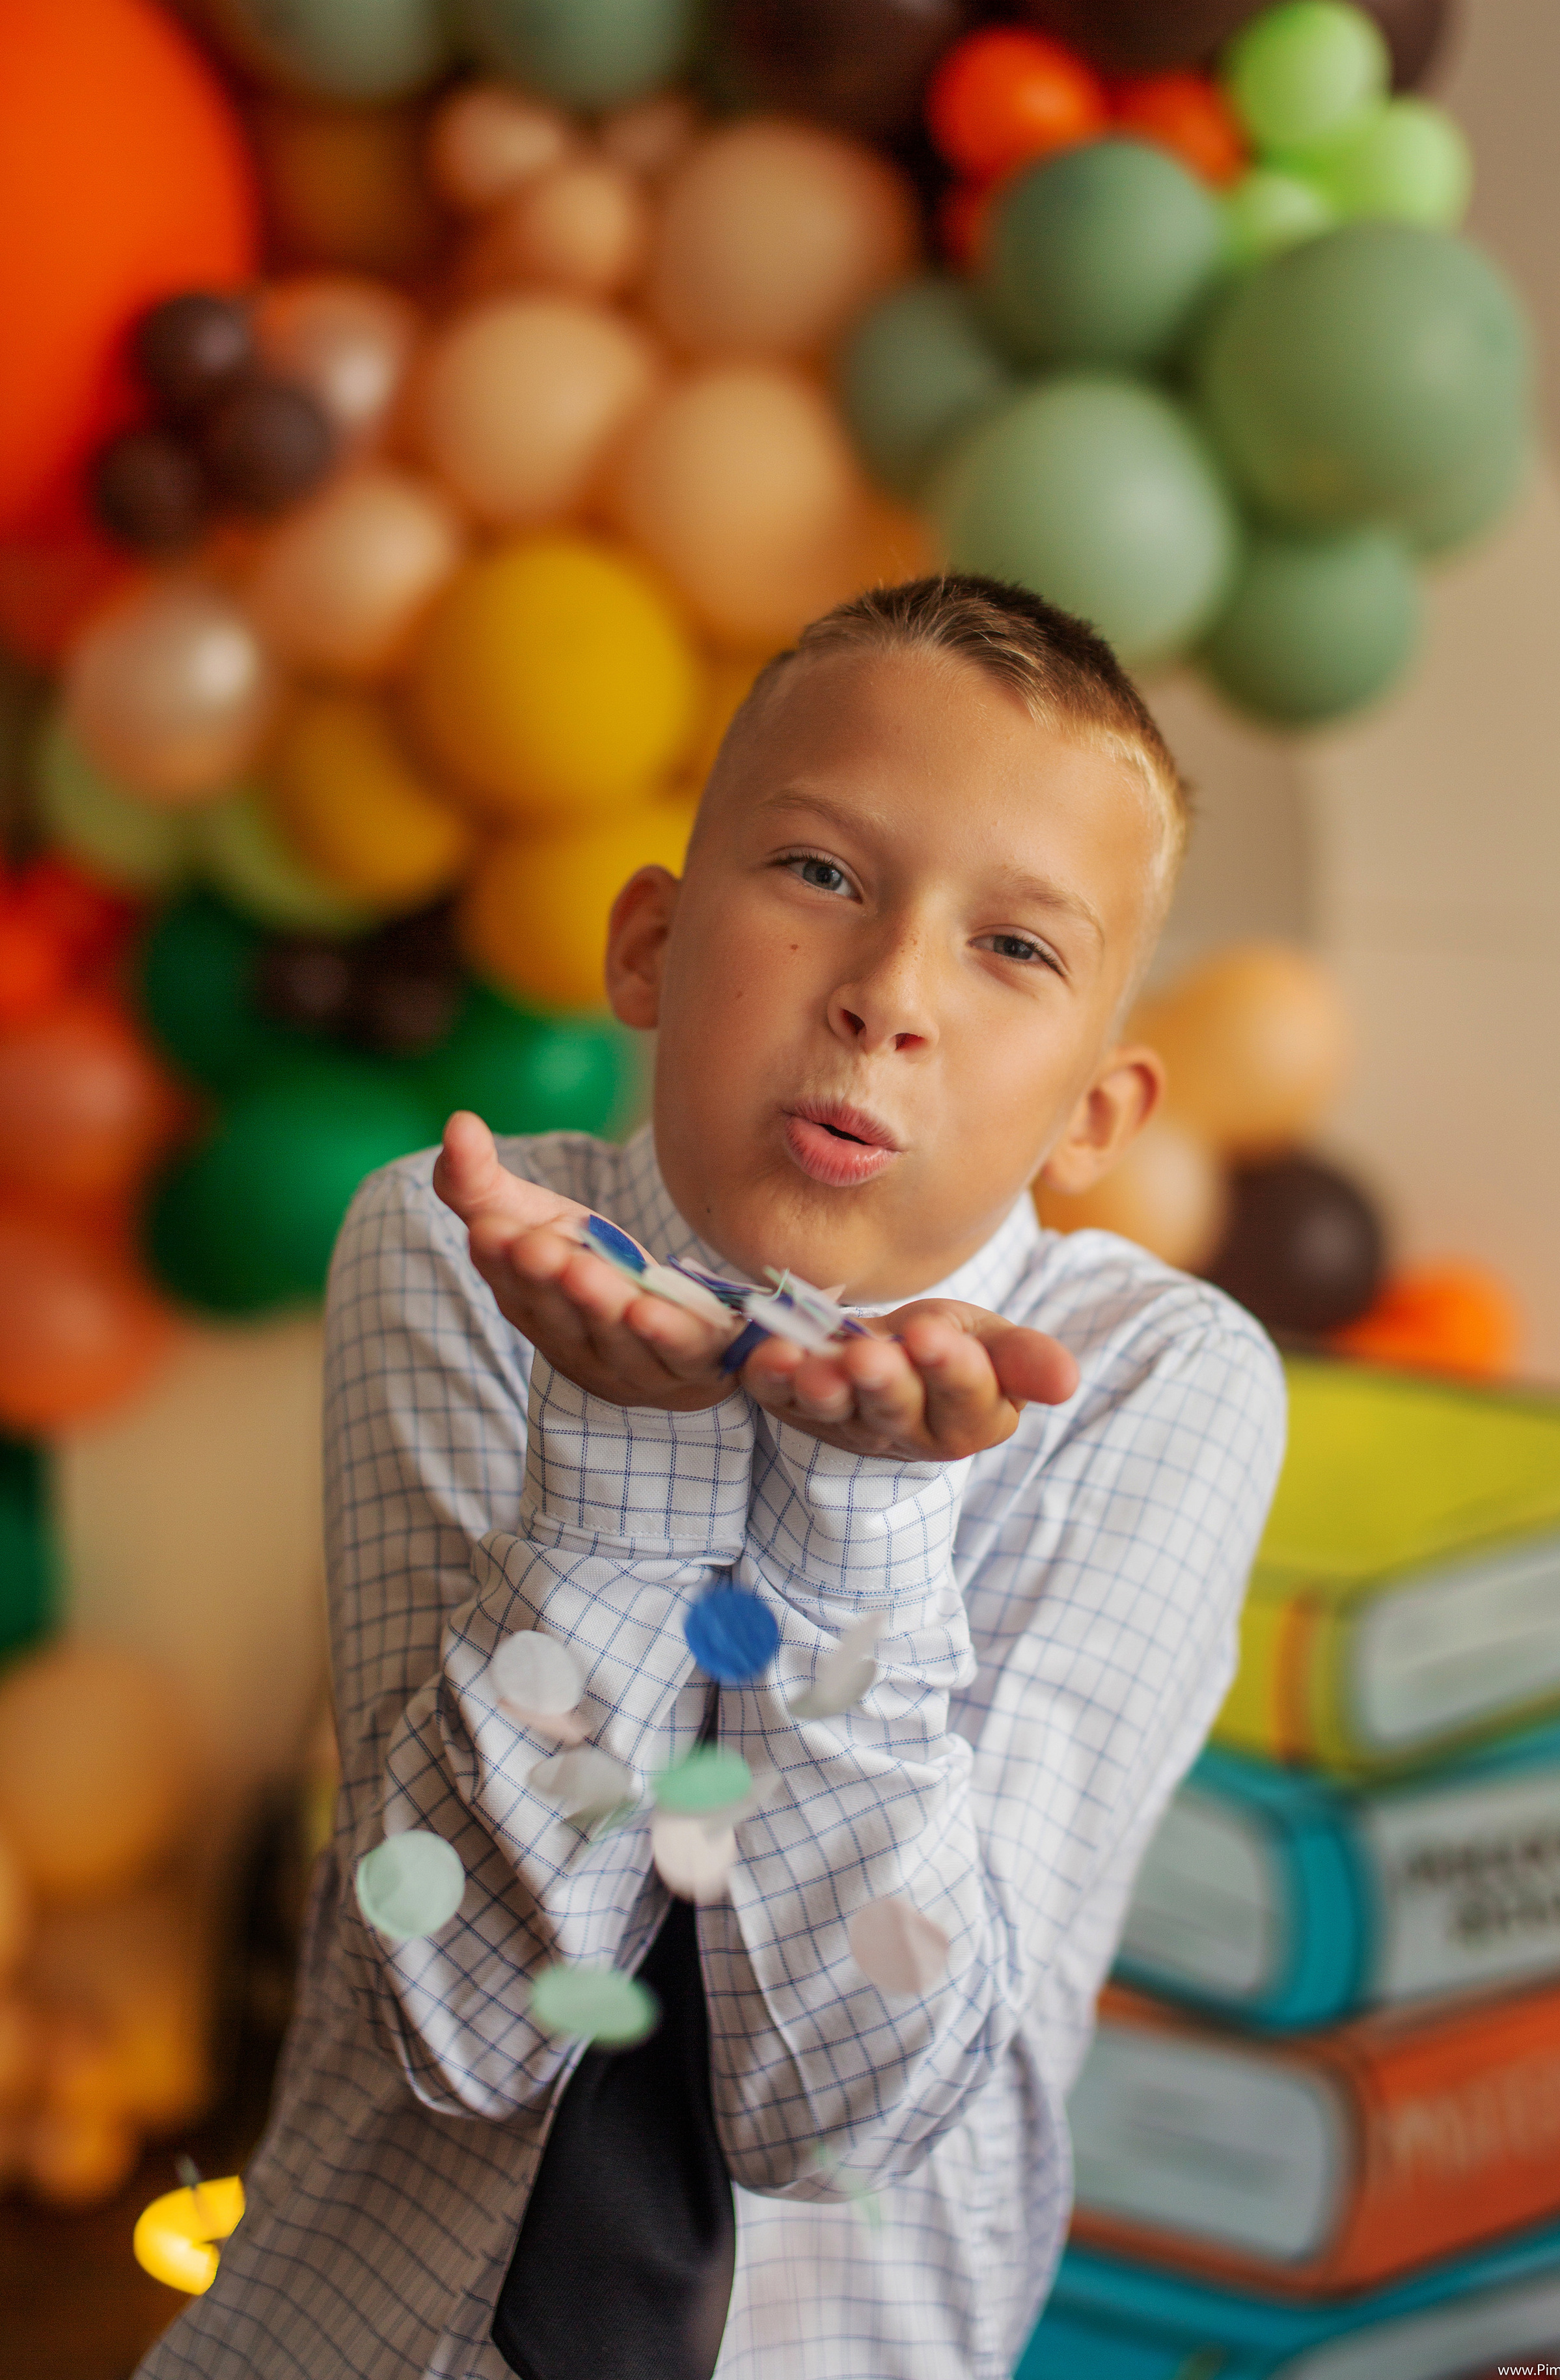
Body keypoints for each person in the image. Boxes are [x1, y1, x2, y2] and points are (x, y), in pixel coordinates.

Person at [138, 573, 1284, 2380]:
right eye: (823, 873)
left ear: (1096, 1118)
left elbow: (855, 2120)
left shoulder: (1163, 1388)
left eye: (1016, 947)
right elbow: (471, 2026)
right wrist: (625, 1454)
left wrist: (866, 1528)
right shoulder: (461, 1248)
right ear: (651, 950)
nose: (887, 995)